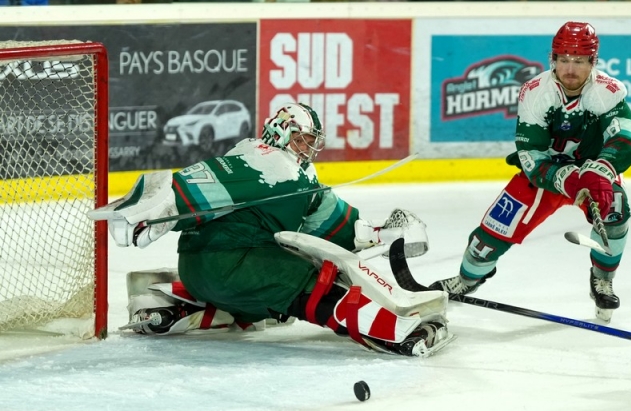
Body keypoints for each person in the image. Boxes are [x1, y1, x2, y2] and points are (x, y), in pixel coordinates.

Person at [89, 102, 452, 357]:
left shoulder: (279, 166)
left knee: (274, 294)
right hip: (231, 266)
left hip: (203, 273)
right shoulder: (267, 162)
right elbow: (196, 185)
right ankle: (397, 332)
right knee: (313, 278)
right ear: (281, 132)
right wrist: (156, 209)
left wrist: (381, 234)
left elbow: (328, 221)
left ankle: (173, 306)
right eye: (302, 139)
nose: (308, 148)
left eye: (311, 142)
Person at [429, 21, 631, 322]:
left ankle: (602, 278)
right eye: (563, 59)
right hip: (546, 175)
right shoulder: (535, 93)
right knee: (488, 237)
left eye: (579, 61)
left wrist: (599, 171)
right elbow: (531, 156)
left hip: (593, 174)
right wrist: (567, 178)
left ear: (593, 62)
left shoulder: (608, 92)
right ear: (552, 59)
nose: (570, 69)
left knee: (616, 213)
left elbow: (625, 141)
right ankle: (467, 278)